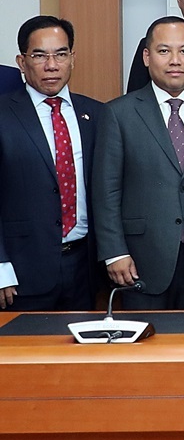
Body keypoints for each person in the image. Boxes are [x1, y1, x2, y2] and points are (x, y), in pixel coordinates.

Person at [93, 16, 184, 310]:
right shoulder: (118, 114)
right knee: (144, 351)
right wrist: (114, 252)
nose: (175, 60)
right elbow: (106, 191)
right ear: (147, 57)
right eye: (164, 51)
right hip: (139, 260)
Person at [0, 16, 104, 311]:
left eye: (61, 54)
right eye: (39, 55)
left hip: (85, 269)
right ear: (22, 61)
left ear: (72, 58)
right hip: (21, 271)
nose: (51, 65)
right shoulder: (4, 114)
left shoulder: (97, 114)